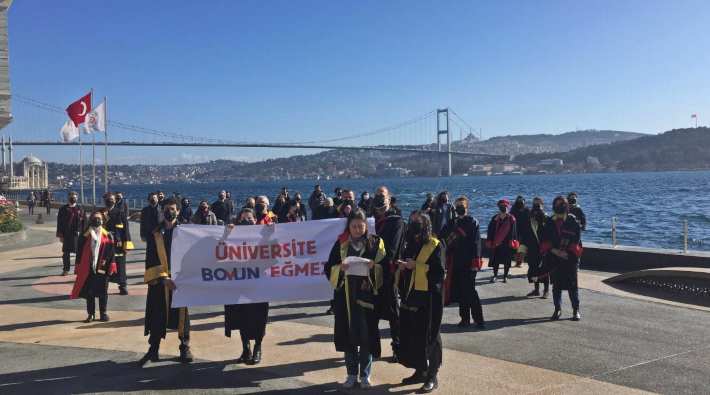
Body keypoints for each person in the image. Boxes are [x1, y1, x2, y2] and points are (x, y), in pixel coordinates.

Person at [325, 208, 386, 389]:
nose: (358, 229)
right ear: (348, 227)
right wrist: (339, 268)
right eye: (354, 226)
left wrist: (374, 267)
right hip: (345, 297)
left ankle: (365, 375)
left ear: (366, 226)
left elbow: (386, 267)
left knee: (366, 336)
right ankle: (351, 374)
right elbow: (328, 267)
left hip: (367, 297)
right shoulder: (341, 243)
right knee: (348, 336)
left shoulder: (376, 243)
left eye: (361, 226)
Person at [139, 198, 193, 366]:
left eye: (173, 209)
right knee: (157, 315)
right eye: (167, 209)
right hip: (161, 281)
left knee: (182, 315)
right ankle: (153, 349)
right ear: (162, 211)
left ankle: (184, 347)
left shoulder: (186, 231)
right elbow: (150, 260)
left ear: (178, 211)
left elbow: (197, 253)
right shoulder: (155, 234)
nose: (170, 212)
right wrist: (163, 279)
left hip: (180, 281)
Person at [397, 211, 444, 393]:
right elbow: (410, 266)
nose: (414, 224)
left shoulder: (435, 245)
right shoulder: (411, 244)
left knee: (431, 335)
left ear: (426, 226)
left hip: (430, 297)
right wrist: (404, 266)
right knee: (415, 335)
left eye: (418, 222)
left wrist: (415, 266)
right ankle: (420, 370)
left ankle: (432, 375)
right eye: (413, 221)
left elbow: (439, 273)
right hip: (412, 295)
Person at [224, 208, 270, 365]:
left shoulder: (263, 236)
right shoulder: (233, 238)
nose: (247, 222)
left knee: (259, 317)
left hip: (260, 285)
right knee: (241, 317)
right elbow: (219, 251)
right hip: (239, 284)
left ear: (256, 220)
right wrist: (226, 234)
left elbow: (276, 251)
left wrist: (271, 233)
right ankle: (246, 349)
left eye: (250, 219)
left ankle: (258, 347)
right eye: (243, 219)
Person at [537, 196, 583, 321]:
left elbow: (576, 239)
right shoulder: (549, 222)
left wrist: (566, 251)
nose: (559, 206)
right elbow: (544, 239)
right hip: (554, 258)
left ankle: (576, 310)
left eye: (561, 204)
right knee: (556, 286)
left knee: (572, 286)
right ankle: (557, 309)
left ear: (566, 205)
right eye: (556, 204)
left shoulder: (572, 221)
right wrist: (555, 251)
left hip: (570, 257)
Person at [442, 196, 484, 328]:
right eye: (457, 206)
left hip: (469, 262)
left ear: (467, 207)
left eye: (462, 206)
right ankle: (464, 319)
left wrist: (475, 263)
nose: (459, 208)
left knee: (470, 291)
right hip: (455, 262)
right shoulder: (451, 222)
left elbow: (476, 243)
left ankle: (479, 320)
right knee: (460, 291)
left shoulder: (472, 222)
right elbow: (442, 238)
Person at [372, 193, 405, 362]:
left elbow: (392, 249)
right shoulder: (372, 221)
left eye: (383, 202)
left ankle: (398, 348)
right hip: (372, 272)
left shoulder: (396, 221)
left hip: (389, 273)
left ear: (389, 200)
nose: (380, 207)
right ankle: (374, 349)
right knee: (372, 312)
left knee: (393, 313)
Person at [70, 209, 115, 323]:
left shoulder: (108, 235)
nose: (97, 220)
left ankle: (103, 313)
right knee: (89, 292)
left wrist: (112, 265)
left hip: (103, 267)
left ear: (102, 221)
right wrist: (78, 265)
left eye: (99, 218)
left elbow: (112, 252)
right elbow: (79, 252)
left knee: (103, 292)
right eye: (94, 218)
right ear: (90, 220)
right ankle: (91, 314)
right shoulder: (85, 235)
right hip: (88, 267)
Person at [520, 197, 549, 298]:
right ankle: (536, 290)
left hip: (542, 248)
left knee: (544, 269)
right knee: (533, 269)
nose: (536, 206)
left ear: (542, 205)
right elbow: (526, 233)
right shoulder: (530, 217)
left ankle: (546, 290)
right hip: (532, 248)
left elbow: (549, 232)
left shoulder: (545, 217)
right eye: (534, 204)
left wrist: (541, 218)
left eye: (538, 204)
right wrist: (522, 249)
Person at [105, 192, 133, 295]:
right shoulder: (101, 213)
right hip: (105, 245)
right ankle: (103, 286)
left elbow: (126, 230)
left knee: (120, 266)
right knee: (105, 266)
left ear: (115, 200)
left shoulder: (120, 213)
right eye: (108, 199)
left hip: (119, 245)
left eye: (112, 199)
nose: (110, 201)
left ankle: (123, 286)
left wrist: (127, 245)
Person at [486, 199, 519, 283]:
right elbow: (490, 230)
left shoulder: (511, 219)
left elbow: (514, 231)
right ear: (499, 207)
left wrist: (513, 241)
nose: (503, 208)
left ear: (507, 207)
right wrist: (490, 240)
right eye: (501, 206)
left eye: (505, 206)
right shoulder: (495, 218)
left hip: (507, 243)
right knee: (495, 260)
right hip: (496, 243)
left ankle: (505, 276)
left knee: (507, 261)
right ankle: (495, 275)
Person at [56, 191, 84, 276]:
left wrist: (84, 234)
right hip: (66, 234)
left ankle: (78, 269)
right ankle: (66, 269)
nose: (73, 198)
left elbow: (84, 223)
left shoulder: (80, 209)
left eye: (75, 197)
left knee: (79, 253)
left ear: (77, 198)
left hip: (77, 235)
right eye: (71, 197)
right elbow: (59, 223)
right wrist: (60, 235)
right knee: (66, 253)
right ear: (68, 197)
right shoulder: (63, 209)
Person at [510, 196, 529, 268]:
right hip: (515, 231)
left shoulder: (526, 210)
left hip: (524, 231)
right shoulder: (513, 209)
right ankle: (517, 261)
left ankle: (520, 262)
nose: (520, 202)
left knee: (522, 247)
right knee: (515, 247)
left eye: (522, 201)